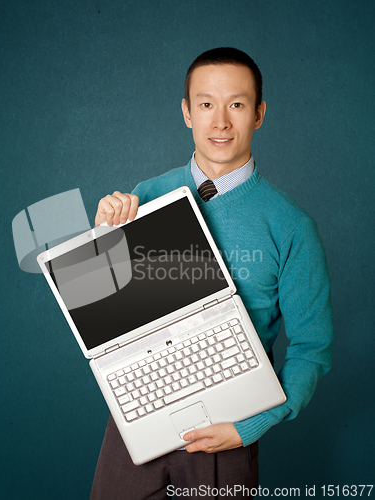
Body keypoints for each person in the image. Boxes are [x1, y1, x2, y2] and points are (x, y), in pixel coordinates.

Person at [90, 47, 334, 499]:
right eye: (206, 104)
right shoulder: (146, 195)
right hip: (143, 401)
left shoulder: (292, 226)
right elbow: (108, 304)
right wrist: (104, 232)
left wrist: (253, 425)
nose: (220, 122)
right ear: (187, 112)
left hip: (230, 422)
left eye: (236, 105)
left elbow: (312, 348)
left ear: (258, 114)